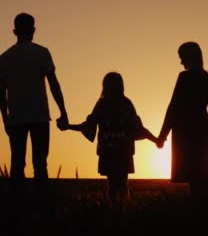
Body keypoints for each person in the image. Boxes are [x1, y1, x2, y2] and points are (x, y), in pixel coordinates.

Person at [57, 72, 158, 212]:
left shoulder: (102, 104)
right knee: (122, 181)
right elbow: (138, 128)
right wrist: (156, 140)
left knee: (112, 183)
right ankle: (123, 210)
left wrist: (68, 126)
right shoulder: (126, 104)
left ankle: (114, 210)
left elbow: (88, 125)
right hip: (123, 151)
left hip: (108, 150)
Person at [0, 12, 68, 191]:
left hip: (16, 119)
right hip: (40, 117)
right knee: (40, 164)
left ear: (14, 31)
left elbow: (0, 93)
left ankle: (17, 206)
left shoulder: (5, 57)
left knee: (17, 165)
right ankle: (41, 205)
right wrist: (63, 111)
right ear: (34, 30)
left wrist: (5, 119)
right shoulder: (42, 53)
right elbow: (54, 84)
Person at [157, 41, 208, 202]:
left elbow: (173, 108)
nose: (181, 62)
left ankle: (198, 214)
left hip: (186, 133)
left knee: (195, 178)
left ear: (190, 57)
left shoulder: (184, 77)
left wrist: (162, 136)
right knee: (202, 177)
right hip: (202, 133)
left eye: (182, 57)